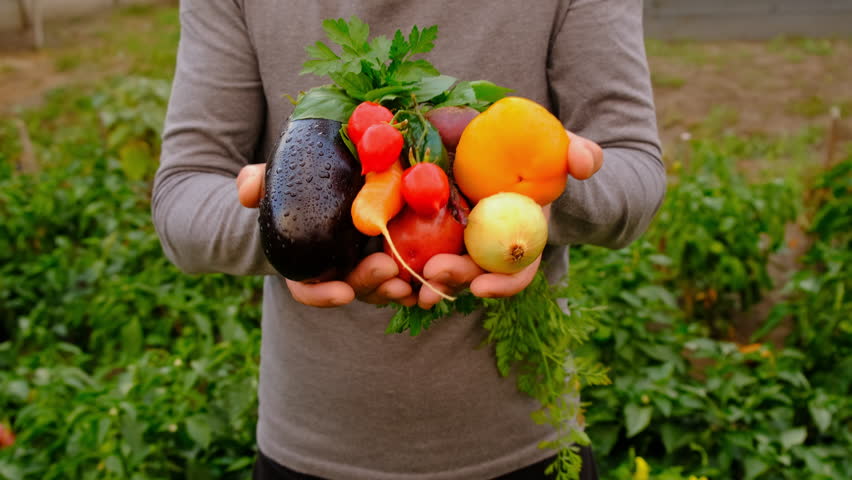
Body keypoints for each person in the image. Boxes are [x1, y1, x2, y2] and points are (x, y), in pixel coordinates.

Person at [152, 1, 665, 478]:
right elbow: (183, 195)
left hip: (527, 442)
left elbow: (634, 167)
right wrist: (305, 227)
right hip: (310, 445)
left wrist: (524, 207)